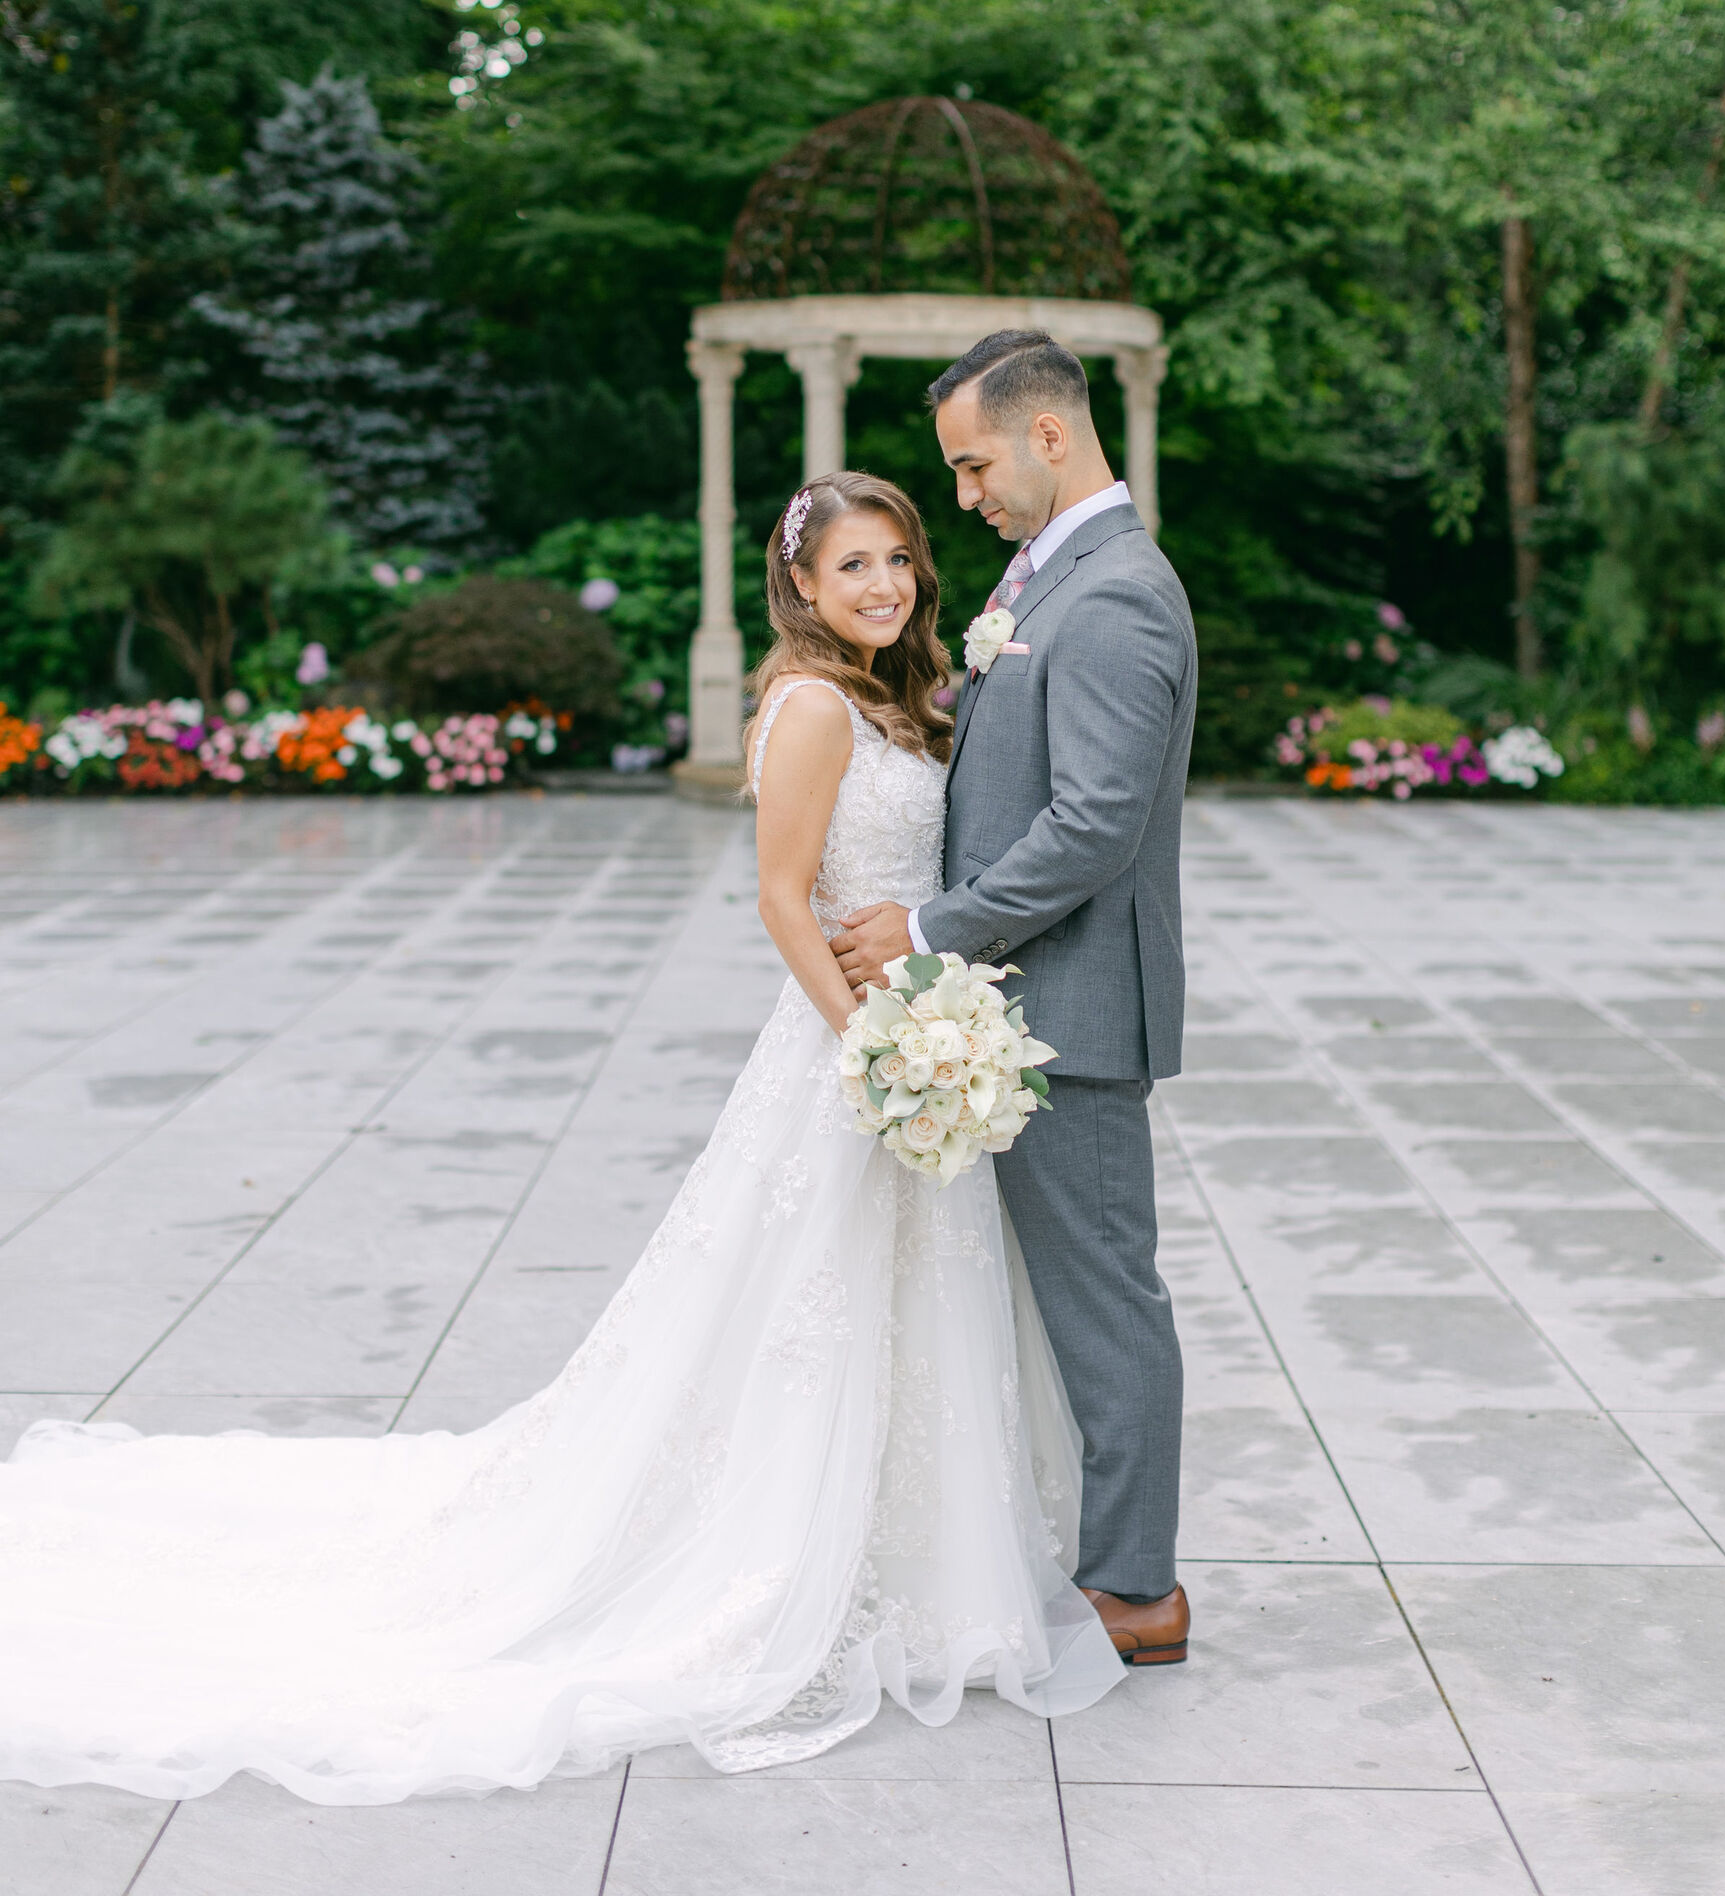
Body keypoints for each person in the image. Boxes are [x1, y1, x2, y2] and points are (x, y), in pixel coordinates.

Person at [0, 468, 1123, 1806]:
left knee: (901, 1307)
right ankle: (794, 1566)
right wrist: (867, 1056)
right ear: (802, 591)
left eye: (896, 560)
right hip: (853, 1049)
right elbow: (778, 899)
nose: (881, 585)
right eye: (851, 569)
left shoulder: (902, 696)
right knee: (804, 1315)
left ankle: (925, 1570)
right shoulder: (815, 703)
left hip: (914, 1029)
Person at [831, 332, 1196, 1669]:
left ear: (1049, 434)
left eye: (973, 464)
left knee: (1105, 1300)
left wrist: (931, 927)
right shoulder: (1045, 576)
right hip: (1026, 1002)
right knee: (1070, 1297)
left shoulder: (1116, 596)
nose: (966, 494)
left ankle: (1136, 1590)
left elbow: (1095, 822)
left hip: (1077, 1011)